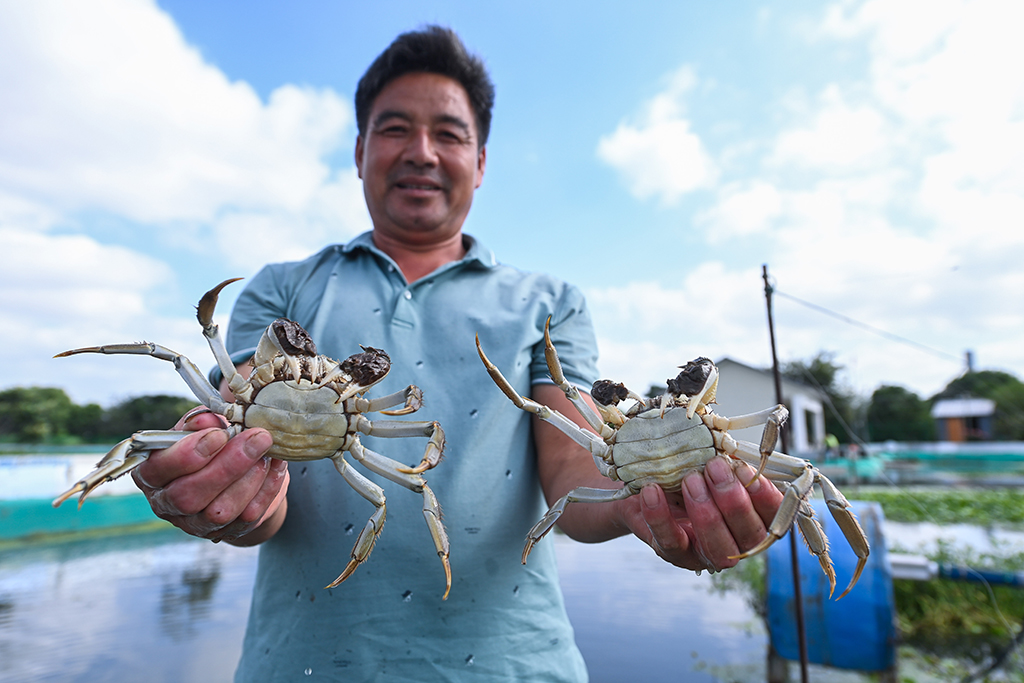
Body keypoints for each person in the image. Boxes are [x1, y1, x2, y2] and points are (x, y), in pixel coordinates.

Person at [131, 26, 784, 682]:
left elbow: (571, 470)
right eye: (394, 129)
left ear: (481, 159)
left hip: (517, 664)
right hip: (300, 664)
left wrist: (650, 498)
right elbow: (245, 436)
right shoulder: (282, 288)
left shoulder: (548, 302)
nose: (421, 151)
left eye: (448, 133)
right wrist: (222, 484)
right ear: (359, 151)